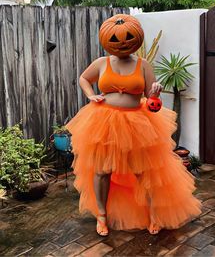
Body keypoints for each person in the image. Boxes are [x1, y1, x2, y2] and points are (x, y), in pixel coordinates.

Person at [65, 14, 202, 237]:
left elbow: (153, 104)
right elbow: (83, 78)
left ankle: (152, 215)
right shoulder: (101, 63)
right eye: (116, 38)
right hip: (104, 123)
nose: (123, 42)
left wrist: (154, 95)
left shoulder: (143, 65)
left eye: (128, 36)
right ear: (106, 38)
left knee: (143, 172)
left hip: (137, 124)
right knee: (102, 171)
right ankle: (102, 215)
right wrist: (90, 95)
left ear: (136, 37)